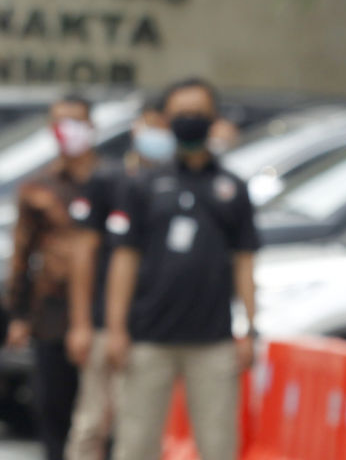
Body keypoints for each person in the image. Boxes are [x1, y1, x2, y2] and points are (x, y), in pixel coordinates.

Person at [104, 78, 259, 460]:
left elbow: (244, 261)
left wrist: (249, 328)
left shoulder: (232, 187)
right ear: (166, 120)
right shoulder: (144, 184)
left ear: (214, 118)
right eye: (182, 114)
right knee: (135, 444)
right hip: (149, 337)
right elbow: (124, 259)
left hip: (213, 340)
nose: (190, 121)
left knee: (218, 445)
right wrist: (116, 329)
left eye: (198, 113)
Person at [64, 101, 176, 460]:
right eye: (150, 126)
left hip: (154, 326)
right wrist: (82, 323)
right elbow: (84, 254)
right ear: (136, 129)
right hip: (105, 322)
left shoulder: (181, 185)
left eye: (164, 127)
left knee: (140, 427)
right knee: (92, 421)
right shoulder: (110, 180)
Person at [4, 95, 104, 460]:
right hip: (52, 312)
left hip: (103, 309)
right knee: (53, 407)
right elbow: (22, 255)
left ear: (91, 126)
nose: (68, 129)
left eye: (75, 120)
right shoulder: (38, 188)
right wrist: (18, 315)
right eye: (60, 122)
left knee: (100, 413)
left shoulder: (110, 182)